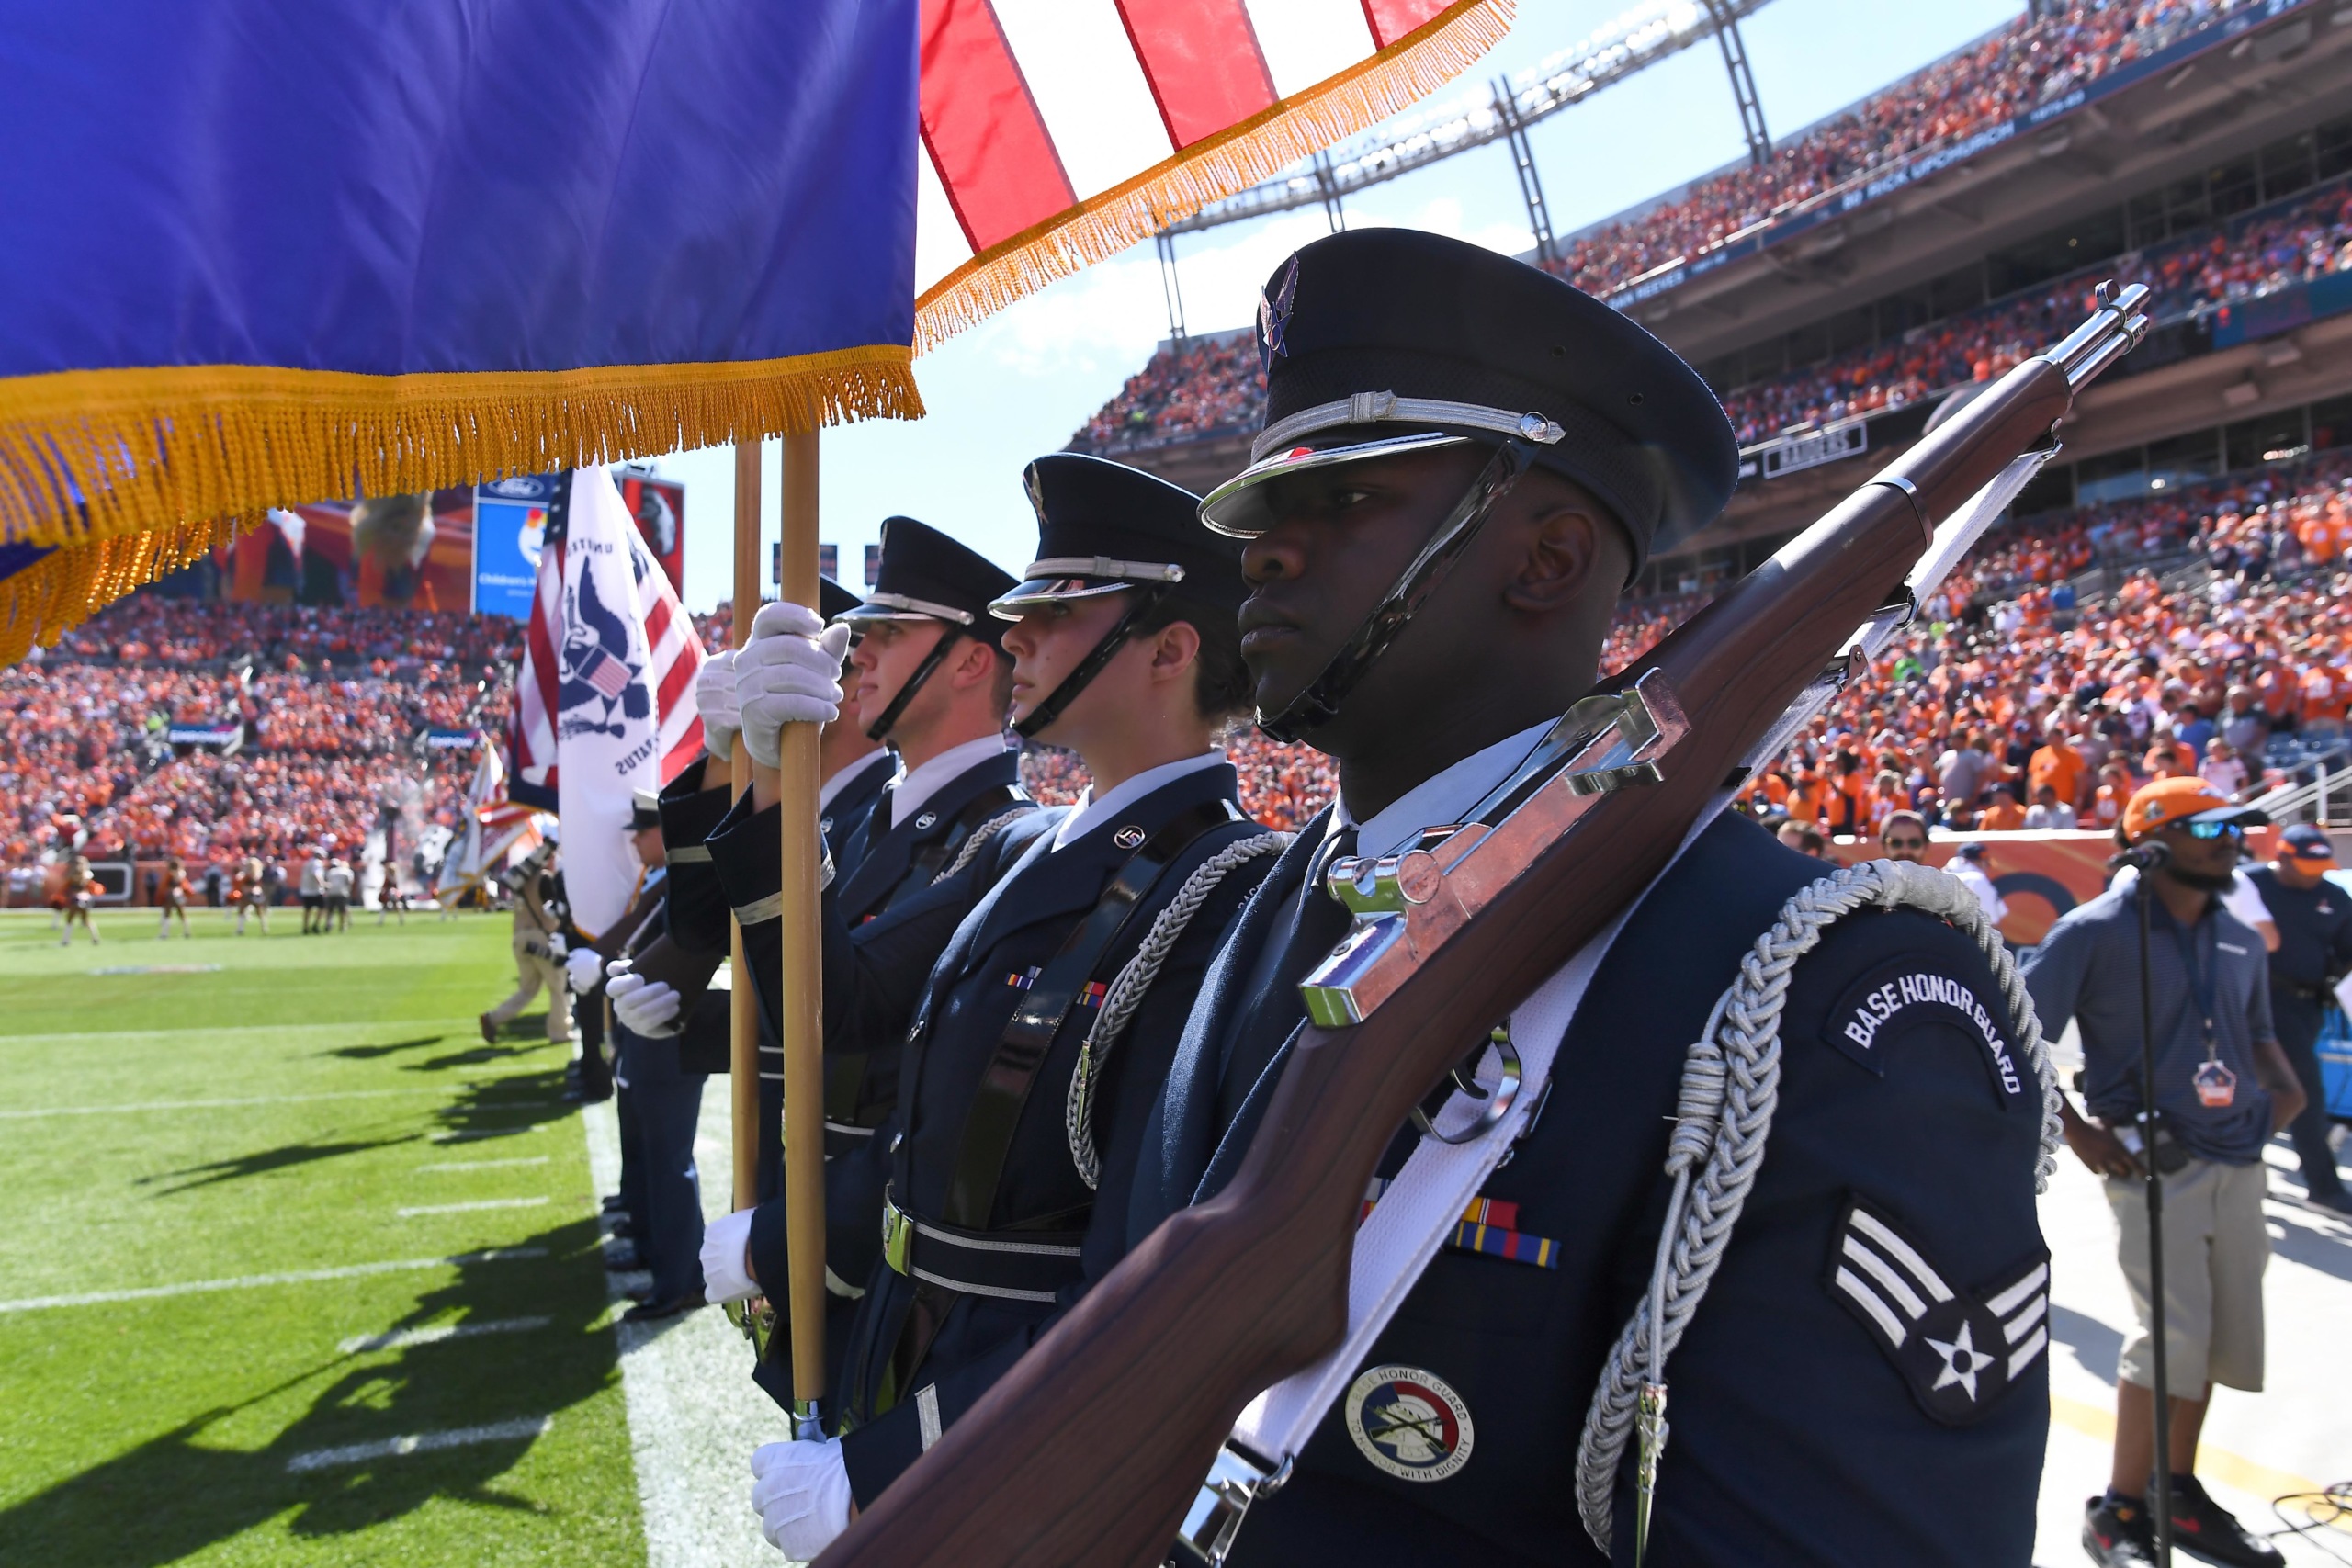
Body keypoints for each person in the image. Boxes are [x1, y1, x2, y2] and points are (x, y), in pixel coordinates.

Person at [1115, 231, 2050, 1565]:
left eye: (1341, 500)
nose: (1265, 552)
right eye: (1267, 515)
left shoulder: (1824, 1002)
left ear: (1546, 558)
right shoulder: (1243, 908)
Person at [740, 457, 1279, 1552]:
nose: (1017, 636)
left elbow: (1134, 1263)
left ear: (1171, 650)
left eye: (1057, 613)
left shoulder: (1220, 881)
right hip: (901, 1346)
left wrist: (903, 1459)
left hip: (1001, 1432)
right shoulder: (1060, 856)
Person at [691, 525, 1046, 1406]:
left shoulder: (1000, 838)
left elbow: (844, 1011)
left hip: (864, 1240)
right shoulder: (860, 818)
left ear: (969, 664)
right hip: (799, 1195)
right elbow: (720, 935)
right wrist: (723, 763)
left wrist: (795, 1238)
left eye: (888, 635)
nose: (860, 658)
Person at [2025, 777, 2307, 1567]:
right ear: (2152, 840)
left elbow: (2256, 1031)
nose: (2231, 839)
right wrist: (2077, 1134)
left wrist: (2285, 1096)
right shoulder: (2094, 930)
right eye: (2210, 826)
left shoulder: (2240, 937)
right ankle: (2118, 1507)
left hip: (2239, 1163)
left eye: (2235, 825)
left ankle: (2174, 1491)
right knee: (2172, 1336)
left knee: (2219, 1339)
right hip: (2156, 1165)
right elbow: (2014, 1034)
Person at [2244, 825, 2352, 1214]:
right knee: (2300, 1091)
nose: (2314, 873)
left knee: (2280, 1093)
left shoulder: (2334, 897)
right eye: (2307, 865)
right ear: (2283, 856)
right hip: (2253, 1001)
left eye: (2320, 865)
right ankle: (2323, 1186)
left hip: (2304, 1006)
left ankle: (2242, 1167)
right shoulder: (2249, 885)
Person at [481, 841, 571, 1045]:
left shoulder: (520, 880)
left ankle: (494, 1018)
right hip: (540, 936)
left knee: (527, 989)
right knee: (558, 986)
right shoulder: (545, 879)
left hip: (519, 937)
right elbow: (553, 910)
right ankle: (560, 1031)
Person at [58, 852, 101, 946]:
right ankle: (95, 938)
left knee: (70, 919)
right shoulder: (87, 875)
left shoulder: (72, 875)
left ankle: (65, 940)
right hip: (86, 899)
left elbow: (66, 885)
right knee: (86, 920)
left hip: (76, 898)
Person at [232, 851, 268, 935]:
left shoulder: (250, 874)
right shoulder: (258, 873)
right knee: (258, 911)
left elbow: (245, 880)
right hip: (256, 892)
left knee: (242, 910)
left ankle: (240, 929)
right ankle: (264, 927)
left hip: (248, 893)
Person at [156, 854, 192, 939]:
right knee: (181, 913)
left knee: (167, 914)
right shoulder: (181, 873)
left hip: (172, 895)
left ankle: (165, 933)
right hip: (180, 895)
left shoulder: (173, 874)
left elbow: (173, 884)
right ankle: (187, 932)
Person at [299, 842, 327, 933]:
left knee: (307, 909)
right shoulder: (317, 863)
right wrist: (323, 884)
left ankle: (305, 927)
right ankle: (316, 925)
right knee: (322, 907)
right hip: (315, 889)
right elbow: (316, 874)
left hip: (306, 889)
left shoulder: (308, 862)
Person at [324, 854, 354, 932]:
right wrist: (348, 890)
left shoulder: (330, 872)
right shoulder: (346, 871)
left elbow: (327, 882)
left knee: (330, 911)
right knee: (342, 911)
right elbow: (349, 882)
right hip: (342, 892)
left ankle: (328, 924)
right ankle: (343, 926)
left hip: (331, 892)